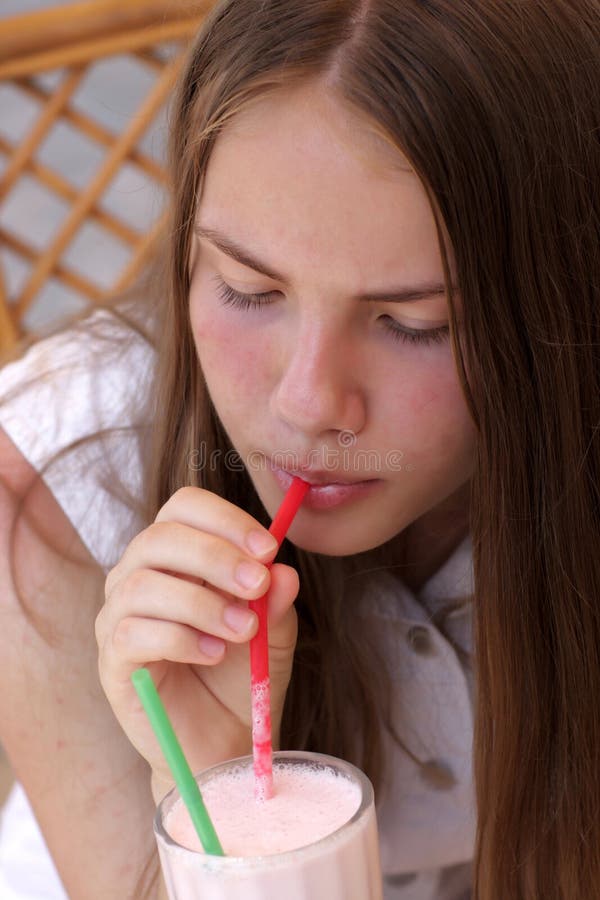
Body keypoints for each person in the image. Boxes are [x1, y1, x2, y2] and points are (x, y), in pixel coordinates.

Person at [0, 1, 598, 897]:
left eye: (414, 324)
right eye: (246, 290)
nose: (309, 401)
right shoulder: (58, 483)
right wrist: (217, 801)